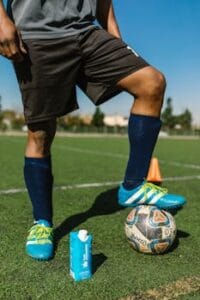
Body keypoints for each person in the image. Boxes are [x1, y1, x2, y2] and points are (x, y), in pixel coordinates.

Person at [0, 0, 186, 261]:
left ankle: (133, 185)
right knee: (40, 132)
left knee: (151, 83)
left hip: (86, 31)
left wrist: (116, 42)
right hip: (36, 35)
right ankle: (42, 223)